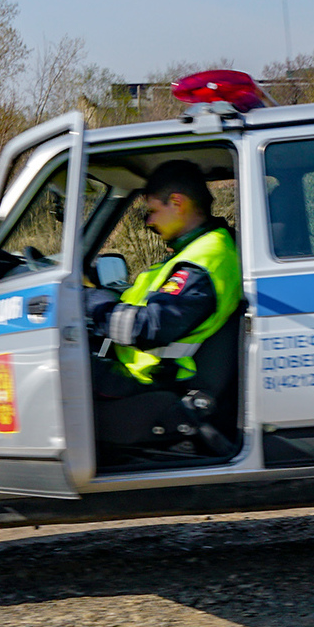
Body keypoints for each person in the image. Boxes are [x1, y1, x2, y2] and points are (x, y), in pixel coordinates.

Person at [87, 162, 243, 439]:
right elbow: (144, 305)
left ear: (177, 202)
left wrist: (91, 301)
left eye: (152, 211)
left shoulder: (207, 258)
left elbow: (151, 326)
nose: (149, 222)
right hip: (142, 372)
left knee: (63, 378)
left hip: (156, 382)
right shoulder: (194, 251)